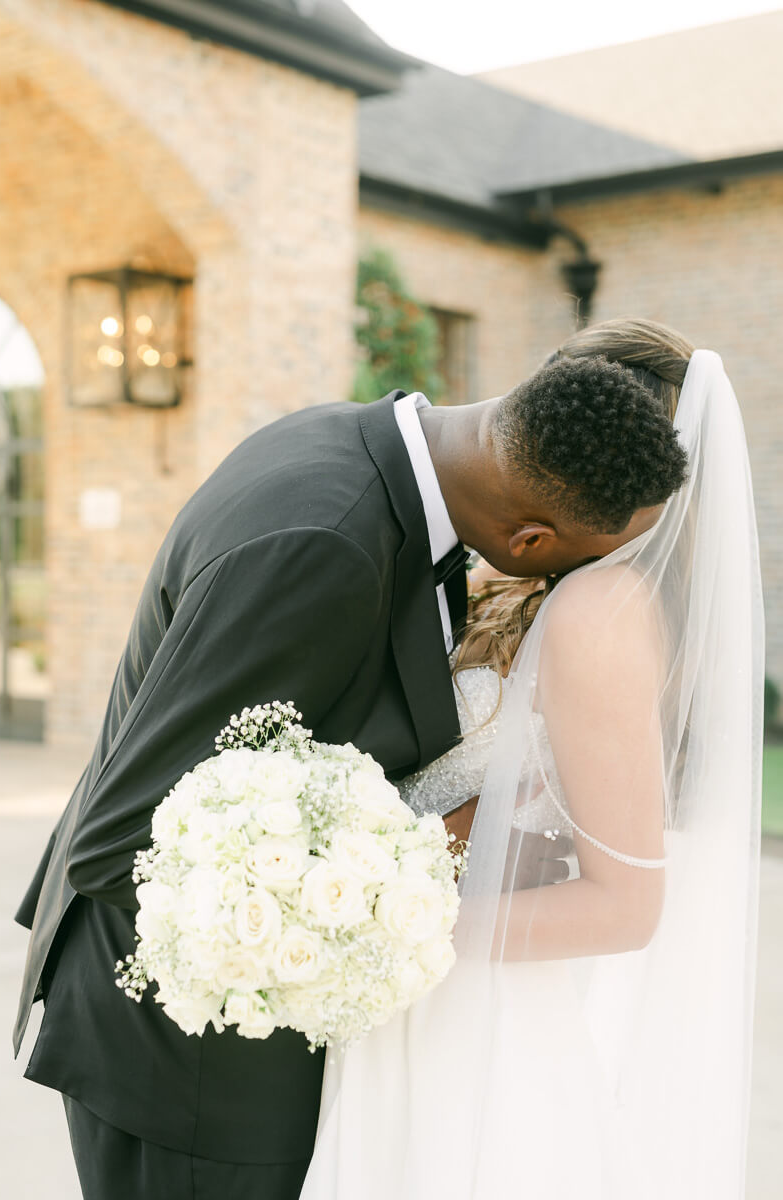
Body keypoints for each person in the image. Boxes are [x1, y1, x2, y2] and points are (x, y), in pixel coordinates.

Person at [14, 317, 690, 1200]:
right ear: (531, 541)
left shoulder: (358, 445)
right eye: (587, 564)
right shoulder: (326, 540)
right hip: (193, 1074)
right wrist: (391, 902)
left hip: (288, 1055)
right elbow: (124, 839)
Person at [299, 325, 764, 1199]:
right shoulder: (563, 587)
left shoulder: (599, 611)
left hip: (471, 1018)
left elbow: (625, 907)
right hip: (432, 996)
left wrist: (389, 922)